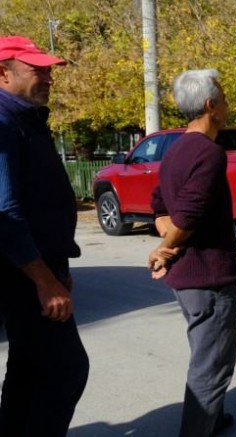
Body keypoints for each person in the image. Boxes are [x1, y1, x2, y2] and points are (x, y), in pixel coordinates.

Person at [147, 69, 236, 436]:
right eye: (223, 97)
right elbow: (187, 215)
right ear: (210, 105)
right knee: (211, 366)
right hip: (209, 278)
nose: (227, 104)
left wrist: (167, 242)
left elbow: (159, 207)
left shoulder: (175, 150)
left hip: (189, 279)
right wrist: (166, 246)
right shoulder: (208, 153)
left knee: (206, 356)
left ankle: (212, 420)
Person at [0, 35, 89, 435]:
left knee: (29, 366)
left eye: (49, 69)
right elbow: (4, 212)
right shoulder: (3, 121)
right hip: (21, 271)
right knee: (64, 370)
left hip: (38, 264)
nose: (48, 77)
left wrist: (58, 265)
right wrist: (44, 280)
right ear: (3, 73)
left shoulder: (24, 118)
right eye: (37, 69)